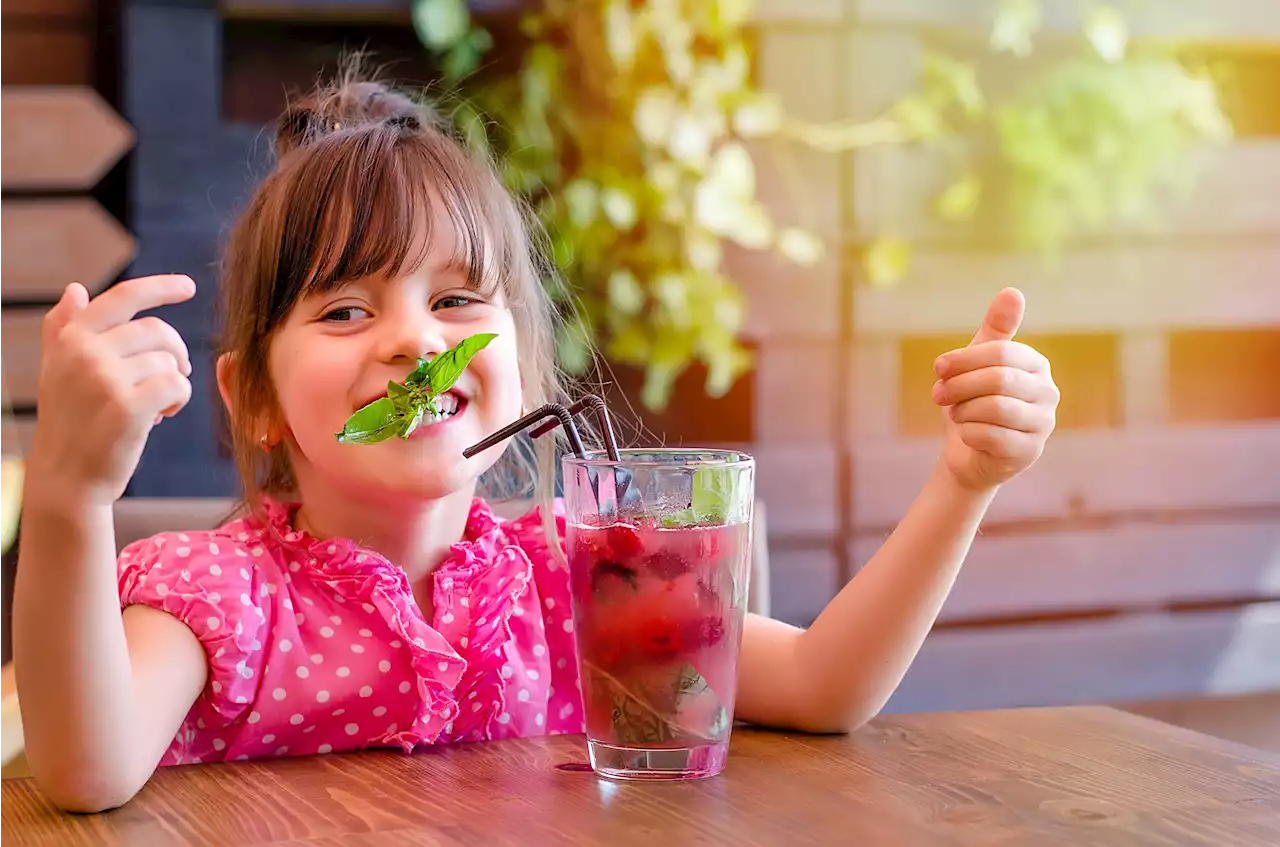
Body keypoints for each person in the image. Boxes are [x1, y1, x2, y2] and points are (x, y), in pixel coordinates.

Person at [12, 70, 1060, 813]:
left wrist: (962, 479)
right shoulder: (215, 600)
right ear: (254, 401)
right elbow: (85, 769)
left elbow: (825, 689)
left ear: (523, 353)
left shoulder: (580, 574)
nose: (415, 341)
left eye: (458, 298)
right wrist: (68, 496)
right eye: (343, 312)